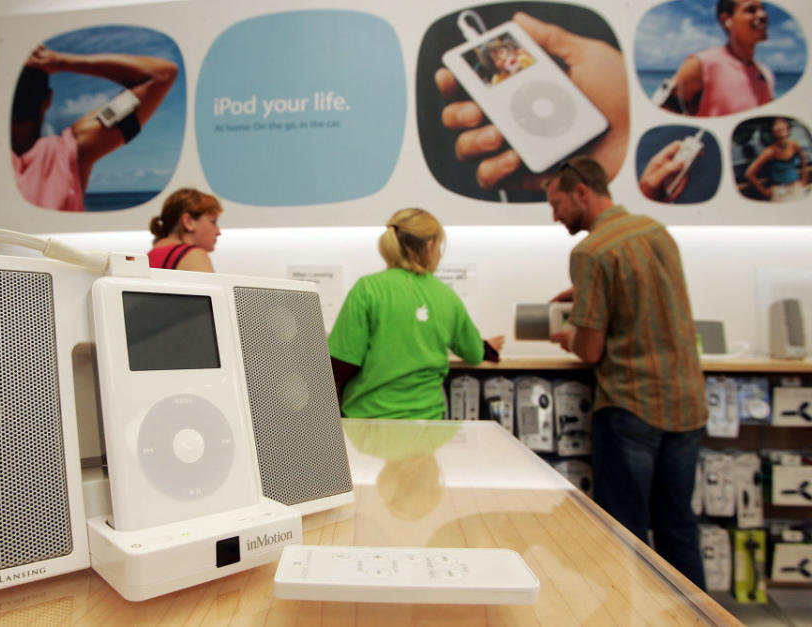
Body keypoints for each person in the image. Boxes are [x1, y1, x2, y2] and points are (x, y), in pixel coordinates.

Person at [545, 156, 707, 588]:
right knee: (678, 525)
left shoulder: (590, 251)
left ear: (582, 192)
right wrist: (588, 294)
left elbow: (592, 350)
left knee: (624, 532)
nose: (555, 216)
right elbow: (645, 290)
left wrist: (569, 338)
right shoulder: (655, 231)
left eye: (557, 203)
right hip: (687, 403)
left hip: (632, 406)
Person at [327, 208, 504, 420]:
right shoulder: (446, 296)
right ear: (430, 247)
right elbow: (474, 354)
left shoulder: (367, 289)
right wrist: (486, 347)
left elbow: (339, 363)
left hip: (367, 425)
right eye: (440, 246)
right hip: (426, 427)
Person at [434, 11, 629, 192]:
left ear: (509, 48)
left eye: (501, 52)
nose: (502, 60)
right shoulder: (498, 80)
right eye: (496, 61)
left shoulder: (525, 58)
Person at [11, 44, 178, 212]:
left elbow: (163, 75)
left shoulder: (67, 151)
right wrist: (59, 61)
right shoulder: (69, 151)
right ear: (48, 99)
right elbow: (162, 75)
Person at [660, 0, 773, 117]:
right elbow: (662, 119)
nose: (762, 15)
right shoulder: (701, 65)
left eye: (763, 9)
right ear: (726, 20)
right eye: (750, 10)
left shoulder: (766, 74)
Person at [147, 188, 222, 272]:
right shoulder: (193, 255)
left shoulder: (149, 257)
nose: (218, 232)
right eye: (213, 222)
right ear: (188, 222)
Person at [744, 117, 809, 202]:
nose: (780, 126)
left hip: (796, 187)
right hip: (780, 191)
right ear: (772, 131)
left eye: (782, 123)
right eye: (777, 124)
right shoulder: (769, 152)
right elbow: (749, 174)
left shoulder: (794, 145)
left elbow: (803, 161)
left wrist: (803, 180)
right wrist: (766, 192)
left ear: (787, 127)